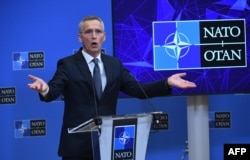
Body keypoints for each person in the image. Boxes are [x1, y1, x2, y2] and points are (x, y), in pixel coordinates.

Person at [27, 15, 196, 160]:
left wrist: (166, 82)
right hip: (77, 147)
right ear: (80, 37)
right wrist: (44, 89)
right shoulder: (68, 65)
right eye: (88, 32)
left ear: (104, 36)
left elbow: (138, 90)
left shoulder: (114, 64)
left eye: (98, 32)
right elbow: (53, 91)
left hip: (108, 145)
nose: (94, 36)